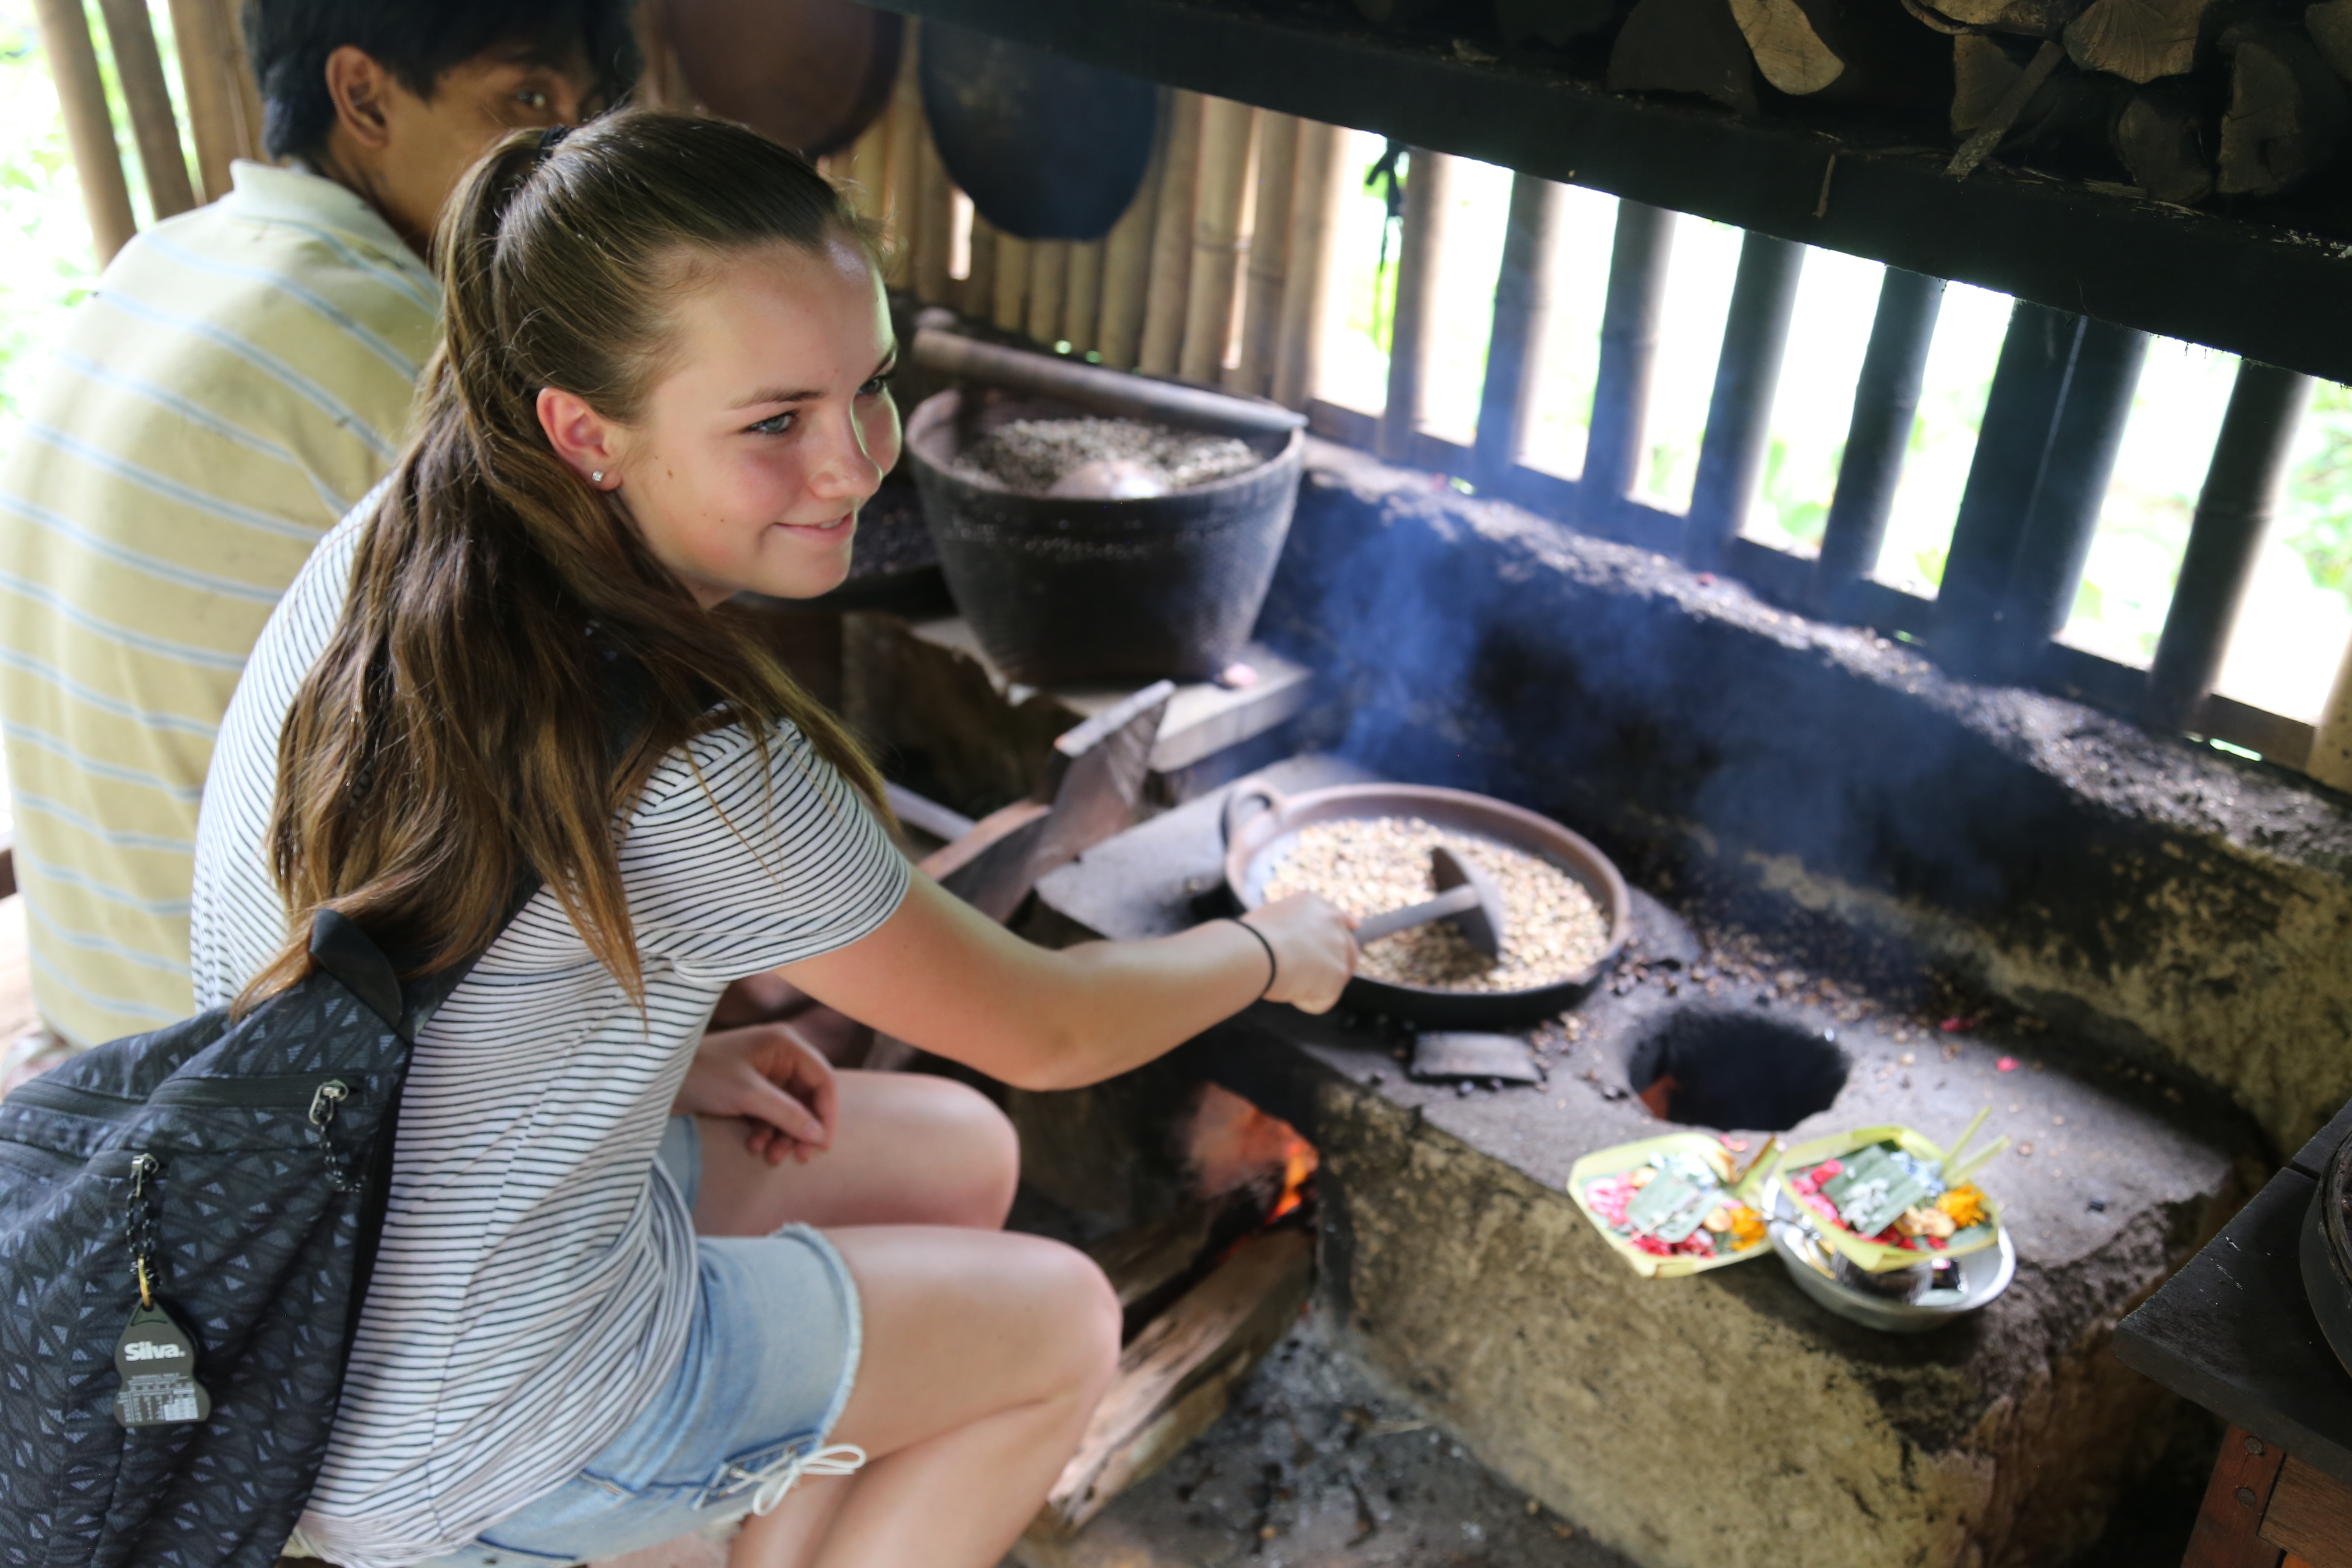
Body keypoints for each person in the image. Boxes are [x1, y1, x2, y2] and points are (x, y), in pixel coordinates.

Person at [189, 112, 1359, 1568]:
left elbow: (430, 942)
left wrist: (668, 1057)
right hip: (471, 1433)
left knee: (954, 1148)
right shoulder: (692, 760)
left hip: (319, 1293)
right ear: (584, 430)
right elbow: (1048, 1027)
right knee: (1063, 1314)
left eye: (869, 386)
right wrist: (1271, 948)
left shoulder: (409, 533)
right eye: (772, 423)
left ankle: (754, 1529)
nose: (856, 464)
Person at [0, 0, 634, 1076]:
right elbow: (599, 752)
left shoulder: (166, 261)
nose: (561, 160)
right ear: (363, 97)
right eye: (524, 102)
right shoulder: (411, 354)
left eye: (582, 118)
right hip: (236, 1069)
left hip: (99, 999)